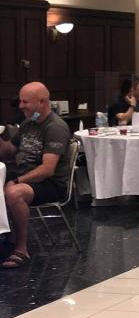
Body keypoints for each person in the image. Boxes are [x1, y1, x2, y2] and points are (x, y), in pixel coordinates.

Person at [0, 83, 72, 268]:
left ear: (42, 102)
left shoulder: (55, 127)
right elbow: (9, 152)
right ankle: (8, 235)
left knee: (14, 193)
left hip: (51, 184)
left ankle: (21, 248)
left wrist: (16, 181)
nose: (21, 106)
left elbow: (47, 169)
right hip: (28, 177)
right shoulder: (28, 124)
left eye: (25, 102)